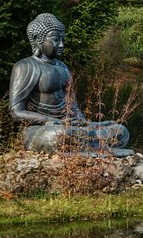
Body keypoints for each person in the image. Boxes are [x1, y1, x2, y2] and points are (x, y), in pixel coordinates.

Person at [8, 13, 130, 154]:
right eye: (55, 40)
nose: (61, 45)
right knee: (61, 135)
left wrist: (90, 124)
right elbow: (16, 112)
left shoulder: (63, 68)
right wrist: (48, 120)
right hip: (40, 129)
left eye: (62, 40)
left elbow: (73, 109)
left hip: (69, 126)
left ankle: (91, 146)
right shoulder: (26, 66)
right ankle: (93, 146)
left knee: (120, 131)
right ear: (37, 39)